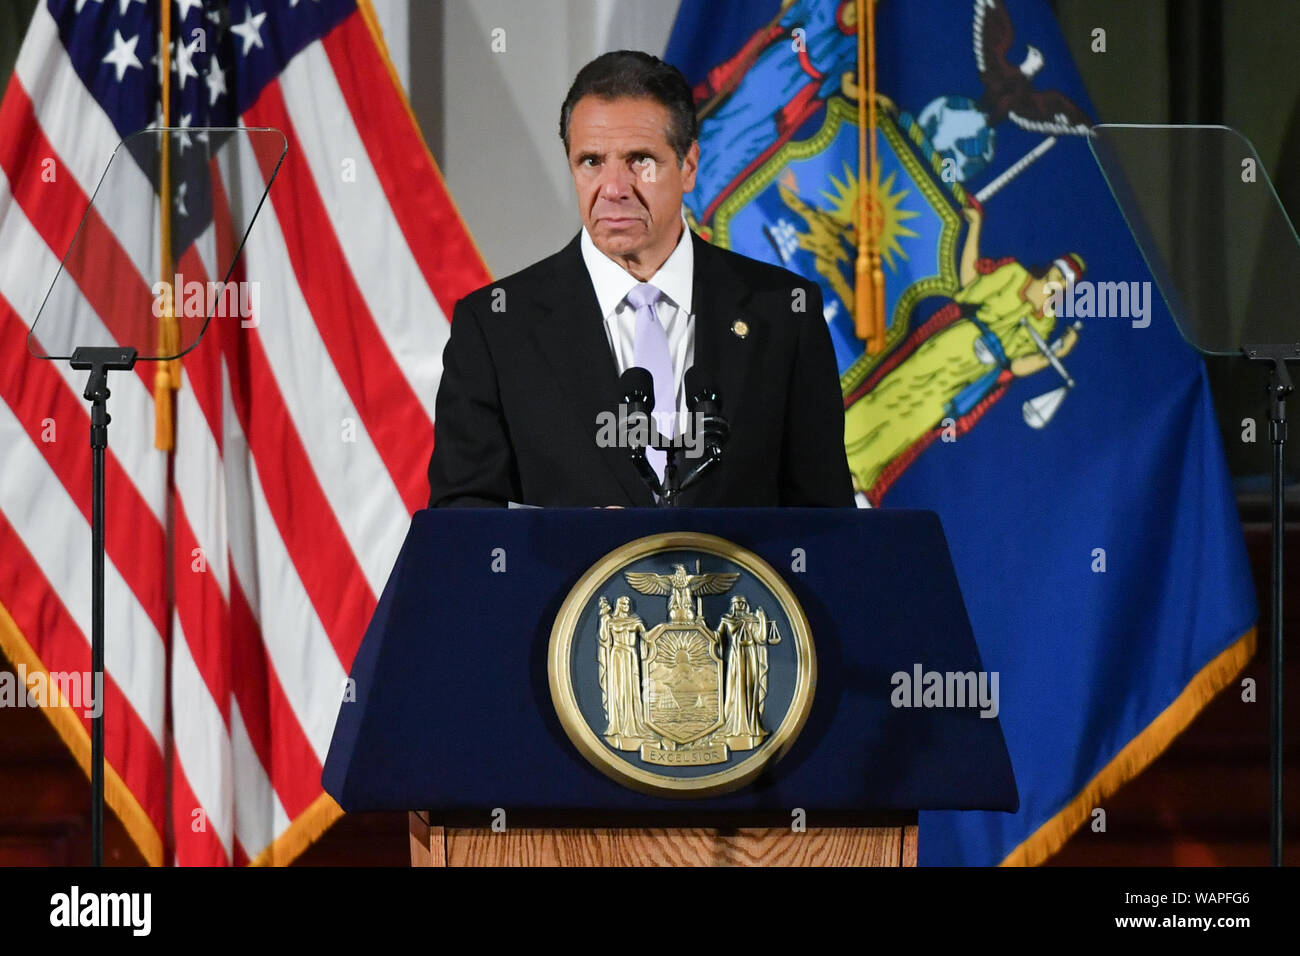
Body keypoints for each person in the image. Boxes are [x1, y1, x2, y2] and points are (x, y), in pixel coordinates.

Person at [427, 50, 853, 508]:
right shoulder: (496, 326)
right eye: (591, 161)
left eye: (640, 160)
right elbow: (464, 521)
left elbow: (824, 521)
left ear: (688, 166)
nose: (613, 188)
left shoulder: (783, 312)